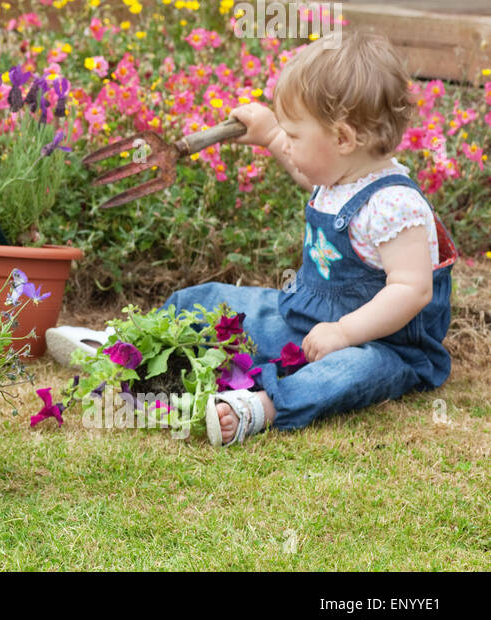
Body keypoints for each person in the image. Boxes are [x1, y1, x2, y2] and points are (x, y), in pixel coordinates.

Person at [159, 31, 456, 446]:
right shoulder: (341, 175)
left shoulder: (394, 206)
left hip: (382, 347)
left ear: (342, 139)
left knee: (349, 374)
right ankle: (142, 344)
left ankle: (263, 407)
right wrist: (269, 134)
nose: (289, 145)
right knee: (214, 302)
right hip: (304, 322)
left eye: (294, 136)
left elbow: (412, 289)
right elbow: (305, 171)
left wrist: (345, 332)